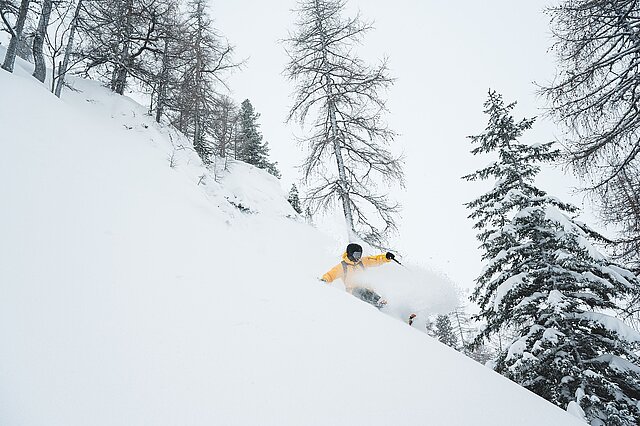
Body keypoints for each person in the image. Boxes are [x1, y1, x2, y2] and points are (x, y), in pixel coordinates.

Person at [320, 243, 396, 309]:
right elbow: (331, 274)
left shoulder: (362, 262)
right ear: (350, 254)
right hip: (353, 291)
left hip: (367, 290)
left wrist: (386, 257)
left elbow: (375, 259)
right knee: (361, 291)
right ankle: (378, 304)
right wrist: (325, 279)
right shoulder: (343, 266)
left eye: (359, 255)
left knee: (374, 296)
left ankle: (384, 307)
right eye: (356, 255)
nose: (358, 257)